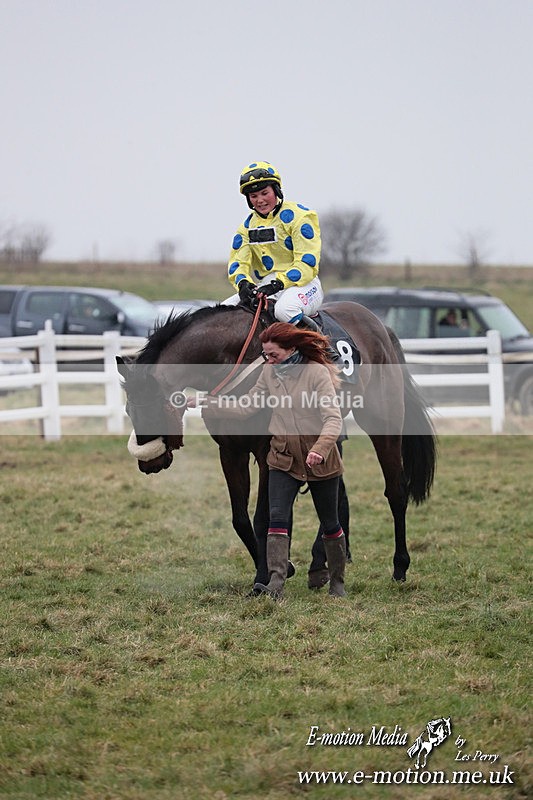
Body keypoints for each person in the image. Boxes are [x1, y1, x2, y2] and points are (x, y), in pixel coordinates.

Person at [189, 322, 347, 599]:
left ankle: (337, 582)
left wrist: (321, 448)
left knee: (330, 522)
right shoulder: (269, 372)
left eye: (273, 354)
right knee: (276, 519)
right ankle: (276, 583)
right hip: (282, 457)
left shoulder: (316, 374)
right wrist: (206, 402)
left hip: (319, 459)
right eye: (265, 355)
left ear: (291, 349)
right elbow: (246, 407)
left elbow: (333, 419)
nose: (269, 360)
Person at [222, 161, 324, 332]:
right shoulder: (246, 227)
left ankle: (325, 351)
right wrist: (243, 284)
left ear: (276, 190)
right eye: (253, 196)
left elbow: (306, 263)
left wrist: (277, 284)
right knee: (223, 312)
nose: (260, 200)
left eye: (264, 193)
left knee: (285, 310)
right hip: (267, 285)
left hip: (303, 284)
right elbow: (238, 264)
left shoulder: (300, 217)